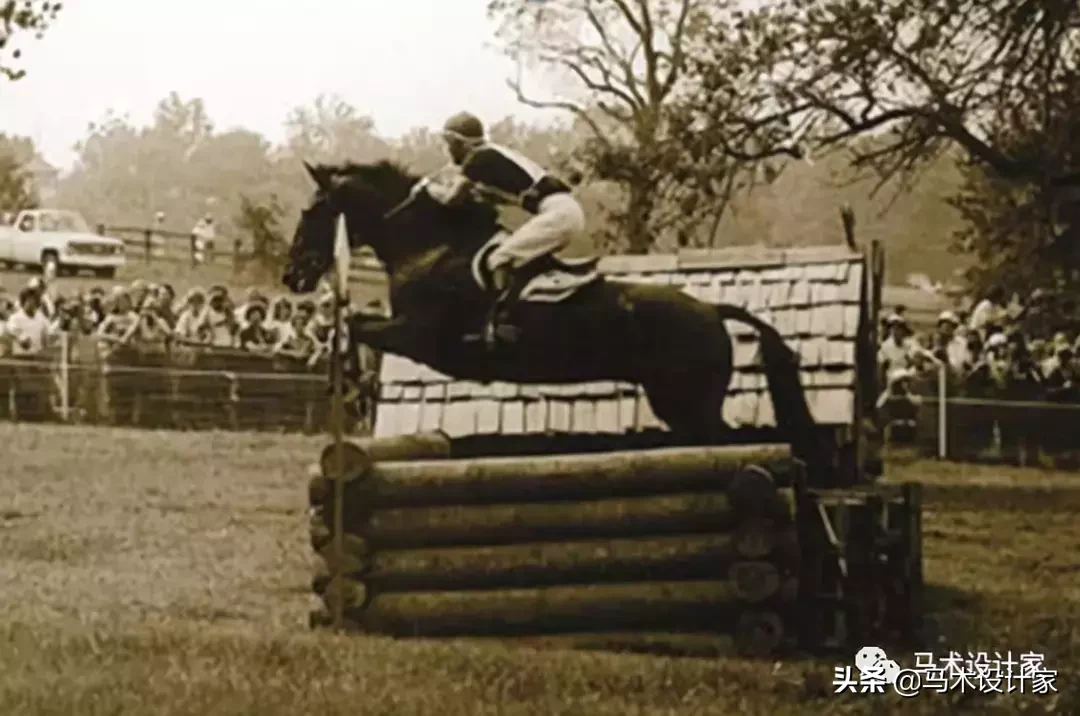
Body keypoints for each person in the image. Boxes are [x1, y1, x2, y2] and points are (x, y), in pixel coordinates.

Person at [423, 111, 592, 343]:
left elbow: (452, 199)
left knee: (498, 259)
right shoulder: (492, 154)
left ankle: (503, 321)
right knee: (518, 257)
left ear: (460, 144)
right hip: (564, 211)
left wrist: (426, 188)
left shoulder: (478, 158)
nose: (447, 151)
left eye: (449, 144)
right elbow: (511, 196)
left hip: (559, 213)